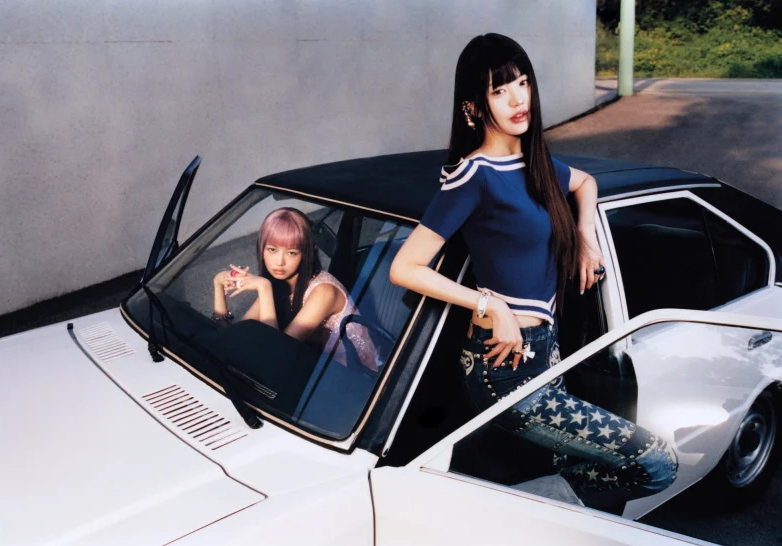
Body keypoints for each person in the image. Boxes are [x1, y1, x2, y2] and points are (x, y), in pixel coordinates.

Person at [389, 33, 676, 507]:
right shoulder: (473, 176)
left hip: (547, 354)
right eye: (500, 90)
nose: (518, 99)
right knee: (657, 462)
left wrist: (585, 236)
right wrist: (491, 305)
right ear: (473, 106)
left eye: (522, 83)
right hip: (502, 369)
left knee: (562, 467)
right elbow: (405, 267)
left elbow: (586, 183)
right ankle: (500, 517)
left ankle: (534, 511)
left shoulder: (534, 162)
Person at [212, 207, 376, 370]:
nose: (279, 262)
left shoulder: (324, 291)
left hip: (351, 375)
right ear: (261, 250)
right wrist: (218, 286)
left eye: (291, 253)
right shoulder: (279, 284)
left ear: (305, 254)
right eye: (272, 250)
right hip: (315, 367)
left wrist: (264, 288)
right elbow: (234, 337)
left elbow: (277, 354)